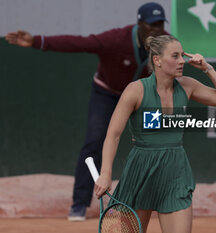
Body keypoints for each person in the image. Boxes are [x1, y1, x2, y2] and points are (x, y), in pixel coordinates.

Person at [5, 2, 168, 221]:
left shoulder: (165, 43)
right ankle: (79, 204)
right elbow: (78, 43)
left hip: (140, 98)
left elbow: (176, 67)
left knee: (159, 141)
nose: (156, 30)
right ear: (139, 24)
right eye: (151, 25)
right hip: (107, 94)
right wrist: (36, 41)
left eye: (159, 25)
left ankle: (159, 201)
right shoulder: (115, 39)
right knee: (94, 141)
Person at [94, 35, 216, 233]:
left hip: (175, 172)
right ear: (157, 60)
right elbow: (113, 134)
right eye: (175, 56)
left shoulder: (188, 86)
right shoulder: (135, 90)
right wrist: (105, 174)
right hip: (140, 171)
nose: (182, 61)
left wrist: (207, 68)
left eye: (182, 55)